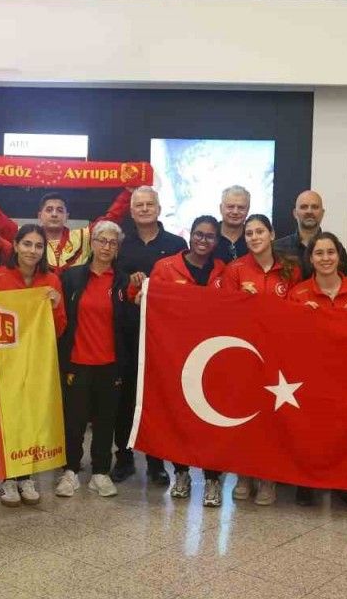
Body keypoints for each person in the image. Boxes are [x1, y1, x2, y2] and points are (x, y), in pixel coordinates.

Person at [138, 215, 227, 505]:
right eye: (199, 234)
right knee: (178, 416)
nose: (203, 240)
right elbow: (149, 302)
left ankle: (213, 479)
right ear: (190, 235)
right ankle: (181, 473)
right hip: (175, 355)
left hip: (213, 356)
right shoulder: (165, 267)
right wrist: (141, 296)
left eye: (210, 236)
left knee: (212, 420)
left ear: (217, 240)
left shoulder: (224, 271)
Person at [0, 224, 67, 508]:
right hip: (5, 361)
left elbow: (59, 329)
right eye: (27, 244)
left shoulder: (51, 280)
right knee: (9, 418)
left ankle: (26, 475)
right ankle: (7, 477)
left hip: (38, 360)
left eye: (38, 246)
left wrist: (55, 306)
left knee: (32, 416)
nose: (32, 250)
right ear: (16, 245)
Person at [219, 214, 301, 505]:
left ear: (272, 234)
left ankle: (268, 477)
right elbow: (223, 311)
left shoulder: (290, 269)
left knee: (273, 417)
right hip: (246, 353)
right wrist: (241, 299)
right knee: (246, 415)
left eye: (260, 232)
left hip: (280, 353)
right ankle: (244, 474)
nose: (254, 237)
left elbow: (297, 311)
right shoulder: (235, 269)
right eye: (249, 233)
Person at [288, 232, 347, 508]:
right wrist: (300, 318)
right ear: (310, 259)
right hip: (310, 372)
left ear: (339, 256)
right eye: (319, 253)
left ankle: (340, 481)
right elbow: (286, 336)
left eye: (331, 252)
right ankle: (305, 482)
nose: (326, 258)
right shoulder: (298, 293)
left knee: (343, 427)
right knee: (309, 427)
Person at [112, 186, 186, 484]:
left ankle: (157, 462)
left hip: (162, 335)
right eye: (139, 205)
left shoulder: (177, 244)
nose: (144, 209)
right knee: (125, 397)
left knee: (158, 397)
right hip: (127, 332)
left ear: (159, 208)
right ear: (131, 212)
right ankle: (124, 457)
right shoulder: (120, 243)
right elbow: (110, 279)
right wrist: (127, 281)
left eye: (149, 204)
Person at [55, 220, 134, 499]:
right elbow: (60, 316)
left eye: (113, 242)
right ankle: (70, 471)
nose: (107, 247)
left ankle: (100, 472)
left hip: (110, 364)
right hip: (77, 361)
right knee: (74, 422)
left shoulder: (123, 281)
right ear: (93, 243)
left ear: (118, 248)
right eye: (102, 240)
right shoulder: (72, 277)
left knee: (105, 421)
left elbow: (129, 320)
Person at [0, 188, 132, 271]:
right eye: (49, 210)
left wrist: (128, 193)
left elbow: (110, 220)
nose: (54, 214)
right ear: (40, 216)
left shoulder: (83, 236)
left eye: (60, 210)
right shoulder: (27, 237)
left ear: (66, 217)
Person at [272, 190, 347, 278]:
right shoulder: (278, 249)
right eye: (304, 207)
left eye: (315, 207)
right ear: (295, 213)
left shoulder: (336, 249)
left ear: (322, 213)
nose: (309, 211)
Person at [213, 185, 251, 262]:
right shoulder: (210, 236)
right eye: (230, 207)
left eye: (241, 207)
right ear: (221, 208)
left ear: (248, 210)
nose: (235, 212)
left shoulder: (253, 237)